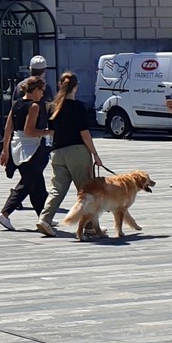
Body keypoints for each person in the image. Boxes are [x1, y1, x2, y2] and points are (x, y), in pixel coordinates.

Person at [36, 72, 105, 236]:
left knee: (56, 189)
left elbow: (52, 132)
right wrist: (95, 154)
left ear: (60, 85)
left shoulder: (52, 107)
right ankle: (89, 226)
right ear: (76, 87)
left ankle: (44, 219)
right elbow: (85, 134)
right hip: (78, 152)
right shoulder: (79, 107)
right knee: (86, 190)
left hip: (58, 152)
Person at [0, 77, 51, 230]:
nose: (43, 94)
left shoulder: (16, 104)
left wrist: (6, 151)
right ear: (35, 90)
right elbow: (29, 131)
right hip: (30, 148)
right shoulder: (34, 106)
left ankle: (45, 217)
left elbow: (8, 129)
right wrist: (47, 132)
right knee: (28, 183)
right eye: (42, 90)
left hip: (16, 146)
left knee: (37, 184)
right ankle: (5, 213)